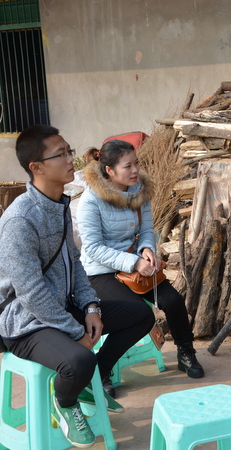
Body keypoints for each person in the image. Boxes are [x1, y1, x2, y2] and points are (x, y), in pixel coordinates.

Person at [0, 125, 155, 448]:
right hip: (25, 322)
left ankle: (90, 379)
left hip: (61, 306)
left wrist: (91, 307)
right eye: (61, 154)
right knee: (79, 360)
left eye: (69, 151)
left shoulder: (59, 205)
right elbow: (30, 293)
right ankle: (66, 402)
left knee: (141, 315)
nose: (73, 159)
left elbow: (75, 262)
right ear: (37, 167)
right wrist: (75, 332)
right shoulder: (20, 220)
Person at [77, 138, 204, 387]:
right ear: (109, 170)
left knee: (173, 300)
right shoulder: (90, 200)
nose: (135, 170)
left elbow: (146, 230)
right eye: (128, 166)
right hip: (100, 272)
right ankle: (101, 369)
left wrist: (146, 249)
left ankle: (186, 352)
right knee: (139, 314)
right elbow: (92, 248)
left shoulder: (140, 191)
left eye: (136, 163)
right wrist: (134, 262)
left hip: (136, 267)